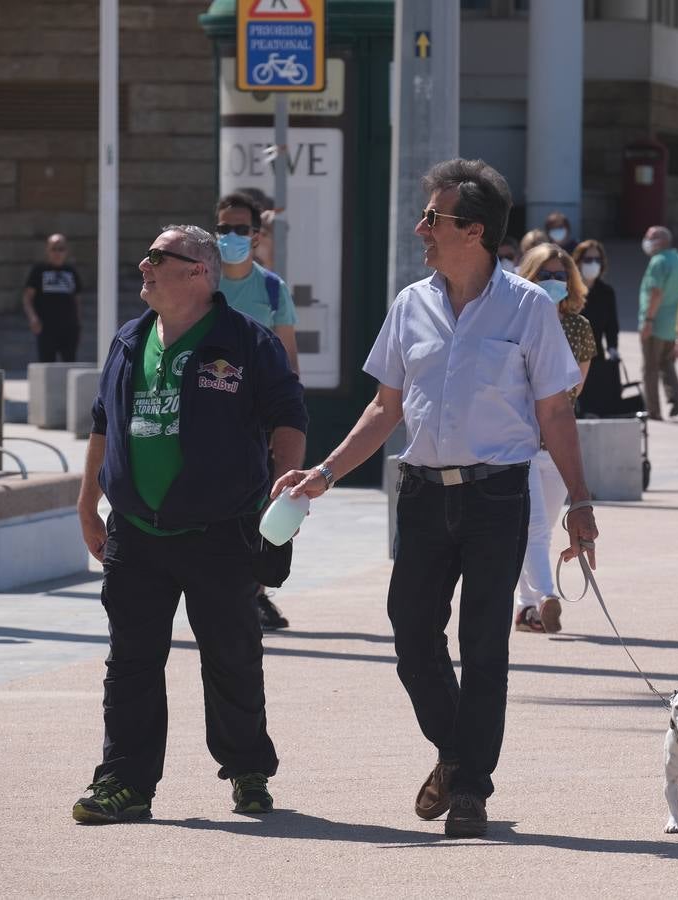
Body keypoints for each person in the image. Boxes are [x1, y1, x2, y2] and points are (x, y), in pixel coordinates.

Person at [269, 159, 598, 838]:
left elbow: (556, 415)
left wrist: (582, 503)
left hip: (497, 494)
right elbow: (385, 408)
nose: (421, 228)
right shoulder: (410, 301)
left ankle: (471, 789)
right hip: (420, 493)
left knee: (482, 645)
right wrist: (323, 475)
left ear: (473, 230)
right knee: (412, 636)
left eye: (434, 218)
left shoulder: (529, 308)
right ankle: (456, 753)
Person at [71, 225, 308, 824]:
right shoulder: (128, 339)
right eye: (146, 256)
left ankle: (248, 769)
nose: (144, 267)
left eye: (158, 258)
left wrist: (286, 490)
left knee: (231, 656)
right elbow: (104, 422)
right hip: (134, 532)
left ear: (197, 272)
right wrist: (86, 503)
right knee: (131, 663)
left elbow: (287, 416)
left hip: (221, 531)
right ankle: (125, 783)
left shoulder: (246, 341)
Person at [215, 191, 299, 632]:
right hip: (206, 421)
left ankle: (258, 594)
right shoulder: (202, 284)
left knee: (264, 509)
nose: (231, 236)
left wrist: (286, 422)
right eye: (223, 228)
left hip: (258, 422)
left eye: (240, 229)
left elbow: (287, 359)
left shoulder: (271, 288)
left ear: (256, 234)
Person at [513, 243, 595, 634]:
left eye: (560, 276)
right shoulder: (515, 320)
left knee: (540, 527)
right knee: (533, 527)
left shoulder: (578, 328)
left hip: (555, 444)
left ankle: (526, 607)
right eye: (544, 275)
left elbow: (572, 391)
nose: (553, 282)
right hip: (520, 442)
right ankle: (544, 596)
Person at [639, 225, 678, 420]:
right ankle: (676, 397)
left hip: (656, 322)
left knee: (650, 367)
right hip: (672, 323)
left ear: (662, 241)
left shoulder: (658, 262)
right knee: (666, 362)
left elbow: (656, 292)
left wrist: (648, 319)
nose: (647, 240)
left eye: (651, 237)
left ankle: (653, 410)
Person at [22, 234, 82, 363]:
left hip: (68, 328)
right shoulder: (39, 271)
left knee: (69, 363)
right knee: (47, 365)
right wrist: (33, 318)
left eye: (61, 249)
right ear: (48, 250)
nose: (57, 253)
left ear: (66, 251)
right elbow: (27, 298)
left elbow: (76, 299)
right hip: (46, 328)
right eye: (54, 249)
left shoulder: (71, 271)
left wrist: (77, 322)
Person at [573, 239, 619, 361]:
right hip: (570, 358)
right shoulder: (566, 290)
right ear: (578, 262)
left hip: (597, 358)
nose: (593, 263)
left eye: (597, 260)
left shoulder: (606, 292)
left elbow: (611, 326)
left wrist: (612, 348)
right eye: (588, 260)